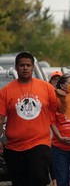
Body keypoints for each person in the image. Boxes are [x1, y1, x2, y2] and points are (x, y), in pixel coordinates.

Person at [0, 51, 59, 186]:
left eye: (28, 65)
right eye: (22, 65)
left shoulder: (46, 87)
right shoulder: (6, 91)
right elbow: (0, 119)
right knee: (20, 182)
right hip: (14, 146)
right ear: (16, 67)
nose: (25, 68)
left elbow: (58, 110)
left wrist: (63, 96)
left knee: (38, 178)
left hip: (39, 143)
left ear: (33, 67)